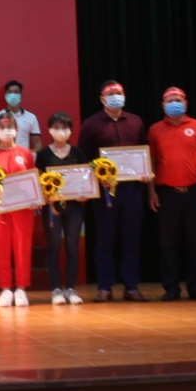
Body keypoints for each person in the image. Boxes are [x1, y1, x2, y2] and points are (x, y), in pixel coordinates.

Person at [78, 79, 151, 302]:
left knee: (131, 238)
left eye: (119, 92)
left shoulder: (136, 121)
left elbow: (144, 151)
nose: (116, 97)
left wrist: (145, 171)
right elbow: (83, 158)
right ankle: (105, 287)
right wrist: (96, 177)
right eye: (111, 94)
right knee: (105, 239)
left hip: (132, 189)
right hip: (105, 191)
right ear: (102, 98)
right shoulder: (91, 124)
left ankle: (131, 286)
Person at [147, 89, 196, 302]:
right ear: (163, 105)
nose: (174, 103)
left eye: (178, 100)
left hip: (195, 192)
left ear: (186, 103)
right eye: (170, 100)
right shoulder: (155, 129)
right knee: (168, 244)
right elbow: (151, 162)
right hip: (167, 193)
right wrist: (151, 192)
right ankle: (171, 288)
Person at [0, 113, 37, 306]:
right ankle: (5, 288)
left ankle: (21, 288)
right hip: (0, 209)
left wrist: (35, 197)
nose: (6, 131)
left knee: (23, 247)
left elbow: (33, 179)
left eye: (9, 127)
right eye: (2, 127)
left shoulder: (26, 154)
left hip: (23, 210)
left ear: (17, 130)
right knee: (1, 248)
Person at [35, 113, 86, 304]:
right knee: (54, 247)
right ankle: (56, 289)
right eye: (56, 127)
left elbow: (85, 178)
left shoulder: (78, 153)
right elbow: (38, 180)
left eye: (64, 127)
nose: (60, 131)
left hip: (74, 207)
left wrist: (85, 192)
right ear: (49, 130)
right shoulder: (43, 155)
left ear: (71, 130)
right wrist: (44, 195)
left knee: (72, 247)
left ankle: (71, 289)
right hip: (52, 208)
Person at [0, 80, 41, 151]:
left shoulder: (31, 117)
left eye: (16, 92)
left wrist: (34, 155)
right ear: (5, 96)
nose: (13, 95)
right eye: (10, 92)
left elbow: (37, 143)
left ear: (21, 96)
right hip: (3, 155)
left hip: (23, 156)